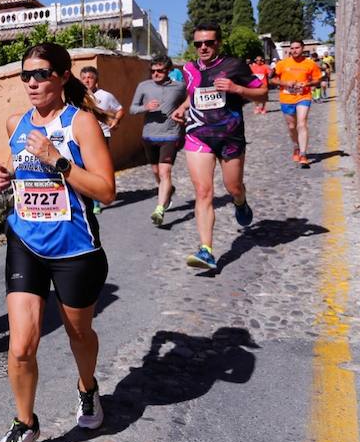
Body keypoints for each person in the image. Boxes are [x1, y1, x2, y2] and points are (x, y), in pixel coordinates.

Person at [0, 43, 115, 442]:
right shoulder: (16, 121)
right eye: (25, 75)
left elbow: (106, 191)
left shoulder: (81, 124)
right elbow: (15, 167)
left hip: (75, 248)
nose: (31, 82)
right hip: (25, 241)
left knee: (79, 334)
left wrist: (58, 161)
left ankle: (87, 388)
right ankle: (25, 422)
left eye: (40, 74)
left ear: (62, 76)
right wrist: (3, 175)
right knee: (21, 344)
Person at [170, 22, 267, 270]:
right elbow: (194, 94)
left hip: (230, 136)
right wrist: (182, 109)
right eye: (198, 43)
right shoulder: (189, 68)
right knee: (203, 192)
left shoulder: (235, 65)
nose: (203, 47)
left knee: (232, 186)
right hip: (198, 135)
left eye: (209, 43)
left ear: (218, 43)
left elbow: (263, 94)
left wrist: (237, 88)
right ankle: (206, 251)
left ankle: (240, 200)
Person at [129, 55, 188, 226]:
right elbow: (132, 109)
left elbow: (189, 102)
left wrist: (184, 115)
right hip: (149, 135)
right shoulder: (144, 86)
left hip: (170, 135)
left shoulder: (179, 87)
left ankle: (159, 209)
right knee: (156, 172)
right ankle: (168, 190)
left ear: (169, 70)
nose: (155, 74)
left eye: (160, 71)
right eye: (153, 71)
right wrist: (145, 107)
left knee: (164, 172)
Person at [79, 66, 124, 215]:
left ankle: (96, 202)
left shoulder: (105, 96)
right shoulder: (78, 96)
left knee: (97, 169)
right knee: (82, 167)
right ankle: (85, 199)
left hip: (101, 136)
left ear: (96, 79)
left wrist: (116, 121)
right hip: (81, 136)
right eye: (83, 78)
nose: (86, 80)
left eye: (90, 77)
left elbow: (119, 109)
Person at [270, 41, 322, 167]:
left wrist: (307, 84)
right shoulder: (282, 64)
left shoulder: (310, 64)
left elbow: (318, 79)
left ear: (302, 48)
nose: (294, 50)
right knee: (292, 126)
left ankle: (303, 154)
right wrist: (286, 83)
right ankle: (296, 146)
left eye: (297, 48)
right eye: (292, 48)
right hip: (286, 98)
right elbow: (272, 79)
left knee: (302, 123)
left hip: (303, 97)